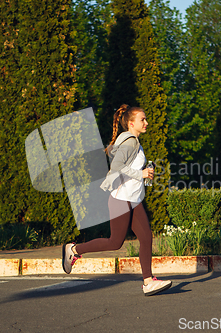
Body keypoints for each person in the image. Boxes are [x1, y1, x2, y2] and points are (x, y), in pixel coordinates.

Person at [62, 104, 172, 297]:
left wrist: (145, 175)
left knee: (146, 237)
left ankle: (148, 282)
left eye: (145, 119)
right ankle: (74, 249)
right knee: (115, 242)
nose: (146, 122)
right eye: (142, 120)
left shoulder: (135, 143)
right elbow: (116, 167)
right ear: (131, 123)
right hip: (121, 200)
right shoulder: (130, 142)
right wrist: (141, 173)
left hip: (133, 200)